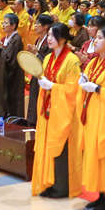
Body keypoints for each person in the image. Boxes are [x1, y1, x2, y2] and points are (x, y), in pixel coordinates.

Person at [31, 22, 82, 199]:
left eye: (53, 36)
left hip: (63, 112)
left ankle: (62, 186)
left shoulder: (72, 60)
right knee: (47, 145)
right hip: (48, 110)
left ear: (62, 38)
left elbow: (73, 89)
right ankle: (49, 182)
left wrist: (53, 86)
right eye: (49, 35)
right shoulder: (48, 58)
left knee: (61, 147)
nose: (49, 39)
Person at [78, 25, 105, 210]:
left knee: (104, 154)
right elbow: (87, 81)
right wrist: (83, 81)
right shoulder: (94, 62)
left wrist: (96, 89)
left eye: (101, 38)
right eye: (96, 37)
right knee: (93, 153)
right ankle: (100, 193)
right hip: (92, 113)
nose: (96, 41)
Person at [0, 12, 25, 118]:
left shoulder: (16, 39)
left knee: (12, 101)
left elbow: (9, 59)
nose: (3, 25)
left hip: (13, 75)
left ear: (13, 25)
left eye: (6, 23)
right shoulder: (5, 38)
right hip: (4, 73)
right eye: (3, 22)